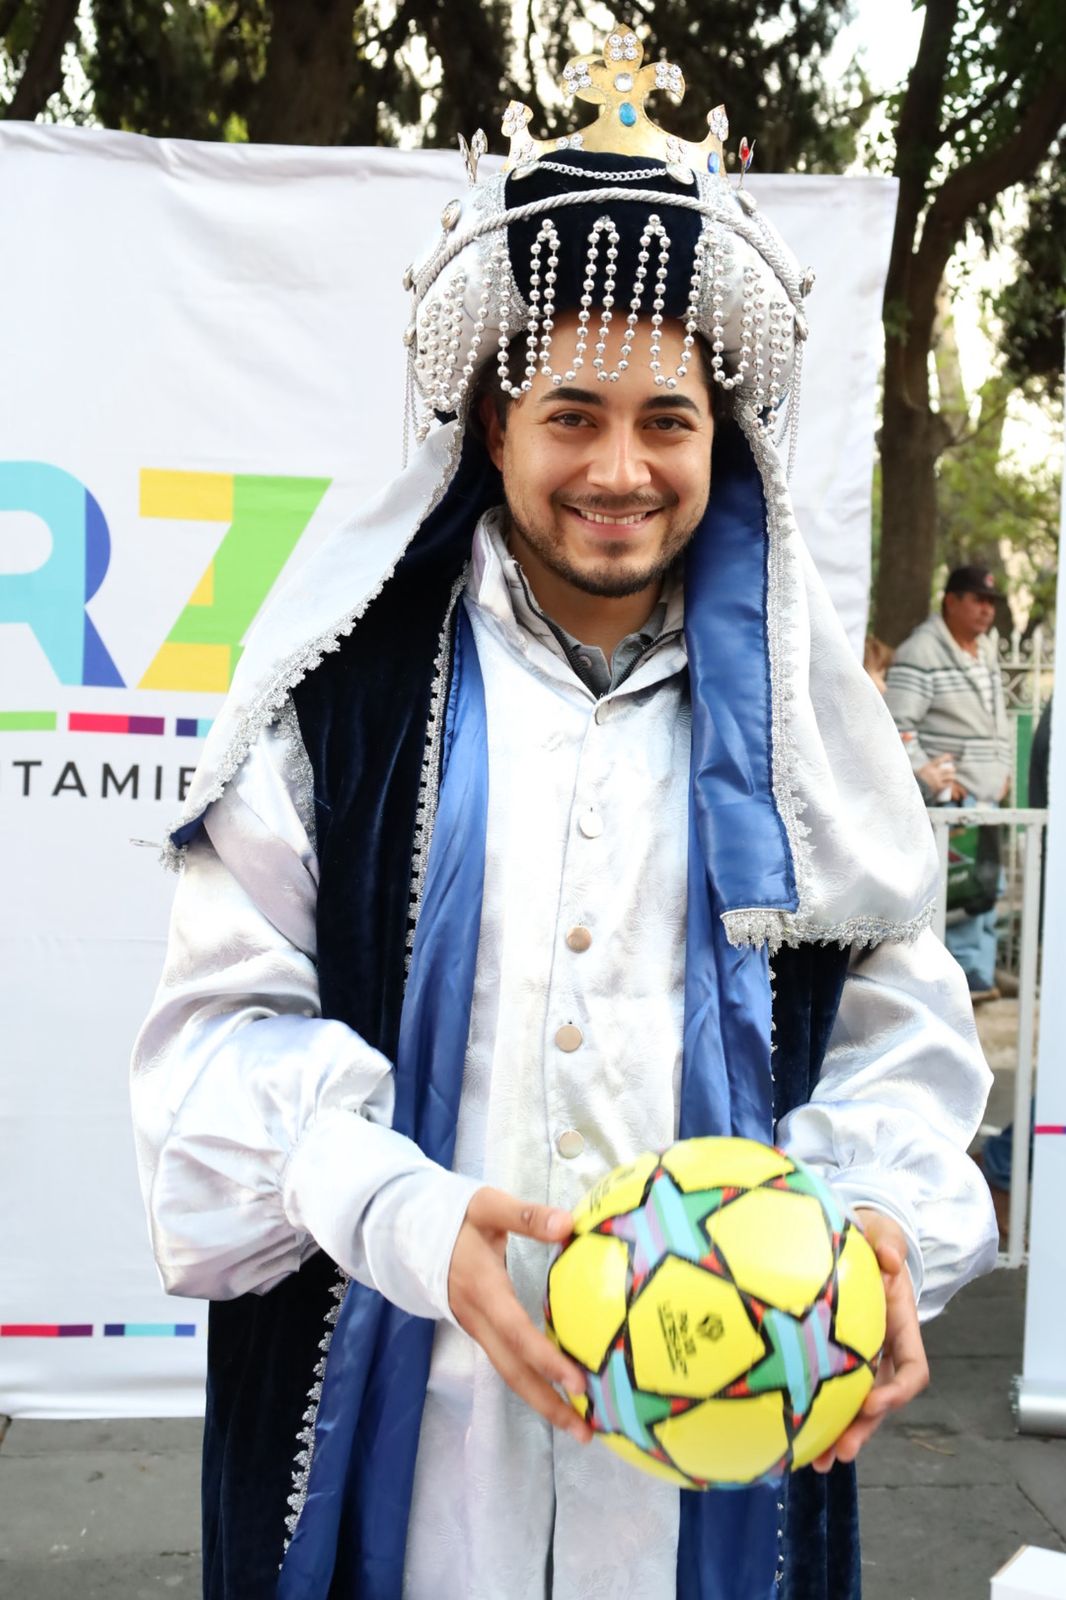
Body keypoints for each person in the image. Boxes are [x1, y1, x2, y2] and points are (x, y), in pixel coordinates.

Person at [132, 32, 997, 1600]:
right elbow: (214, 1040)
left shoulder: (806, 728)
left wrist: (869, 1219)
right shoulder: (343, 700)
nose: (620, 467)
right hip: (410, 1424)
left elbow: (900, 1036)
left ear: (717, 436)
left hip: (720, 1440)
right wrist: (403, 1211)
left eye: (665, 419)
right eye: (571, 413)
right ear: (492, 424)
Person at [885, 565, 1012, 1001]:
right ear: (950, 601)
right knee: (959, 895)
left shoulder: (985, 650)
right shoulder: (921, 651)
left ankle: (979, 978)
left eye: (991, 602)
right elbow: (897, 726)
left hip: (987, 798)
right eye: (977, 599)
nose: (986, 609)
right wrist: (929, 775)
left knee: (987, 889)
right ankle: (958, 986)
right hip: (952, 804)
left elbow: (997, 721)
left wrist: (1004, 768)